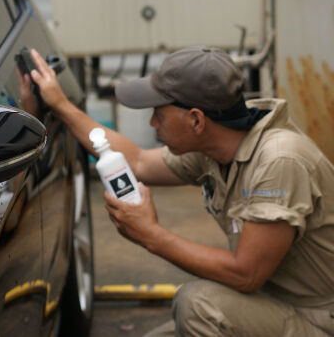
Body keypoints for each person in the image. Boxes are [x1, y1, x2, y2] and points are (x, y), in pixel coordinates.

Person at [23, 46, 334, 336]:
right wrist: (60, 106)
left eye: (159, 113)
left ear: (196, 120)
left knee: (198, 306)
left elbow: (246, 274)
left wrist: (151, 235)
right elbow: (138, 162)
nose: (152, 122)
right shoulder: (218, 142)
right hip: (270, 302)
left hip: (317, 318)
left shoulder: (279, 162)